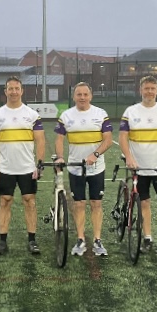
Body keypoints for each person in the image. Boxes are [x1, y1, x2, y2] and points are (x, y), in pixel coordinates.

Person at [119, 76, 157, 258]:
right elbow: (122, 137)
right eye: (146, 88)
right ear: (141, 90)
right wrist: (129, 157)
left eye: (153, 88)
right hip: (139, 168)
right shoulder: (131, 112)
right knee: (144, 203)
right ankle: (147, 239)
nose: (150, 92)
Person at [0, 76, 45, 255]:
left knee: (29, 201)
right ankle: (2, 242)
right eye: (10, 89)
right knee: (5, 201)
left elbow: (40, 140)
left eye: (16, 88)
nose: (13, 92)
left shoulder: (32, 115)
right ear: (5, 91)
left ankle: (32, 241)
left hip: (27, 168)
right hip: (5, 168)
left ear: (22, 91)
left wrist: (39, 165)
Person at [54, 82, 113, 257]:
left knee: (96, 203)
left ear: (91, 96)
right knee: (79, 204)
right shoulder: (66, 116)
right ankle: (80, 239)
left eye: (85, 94)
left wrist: (95, 154)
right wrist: (60, 156)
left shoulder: (101, 114)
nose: (82, 97)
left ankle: (97, 240)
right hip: (75, 168)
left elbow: (108, 140)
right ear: (74, 96)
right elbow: (59, 140)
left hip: (96, 168)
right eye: (79, 94)